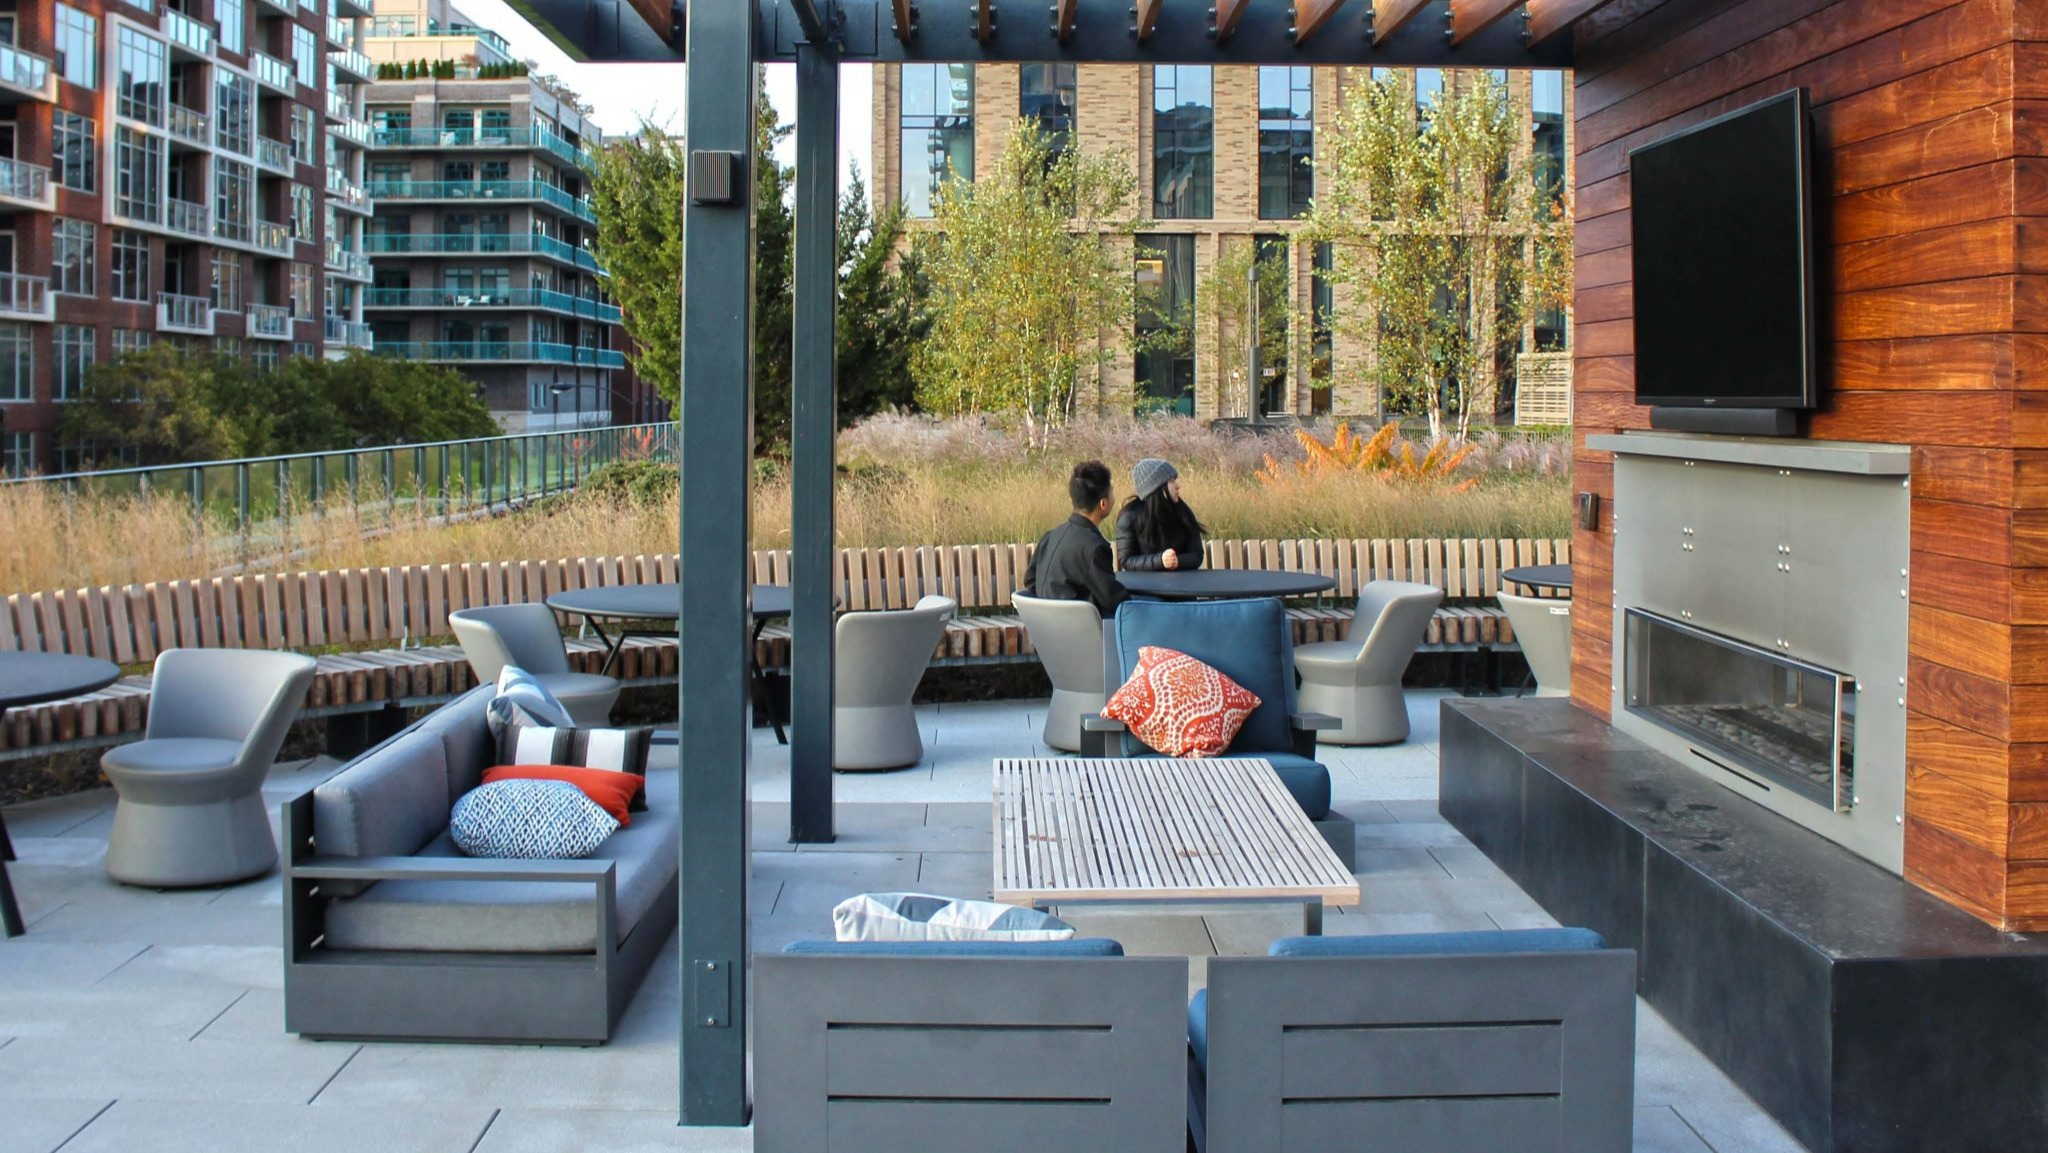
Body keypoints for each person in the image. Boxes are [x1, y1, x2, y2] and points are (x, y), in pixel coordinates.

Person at [1022, 460, 1130, 618]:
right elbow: (1114, 601)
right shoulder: (1094, 547)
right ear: (1103, 503)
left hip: (1048, 633)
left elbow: (1031, 580)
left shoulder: (1050, 536)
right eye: (1111, 491)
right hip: (1085, 635)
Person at [1116, 458, 1207, 573]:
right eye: (1172, 481)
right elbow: (1127, 561)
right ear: (1157, 488)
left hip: (1183, 586)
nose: (1178, 485)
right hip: (1146, 588)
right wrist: (1160, 561)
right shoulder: (1129, 518)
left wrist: (1177, 561)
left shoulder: (1183, 511)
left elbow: (1197, 554)